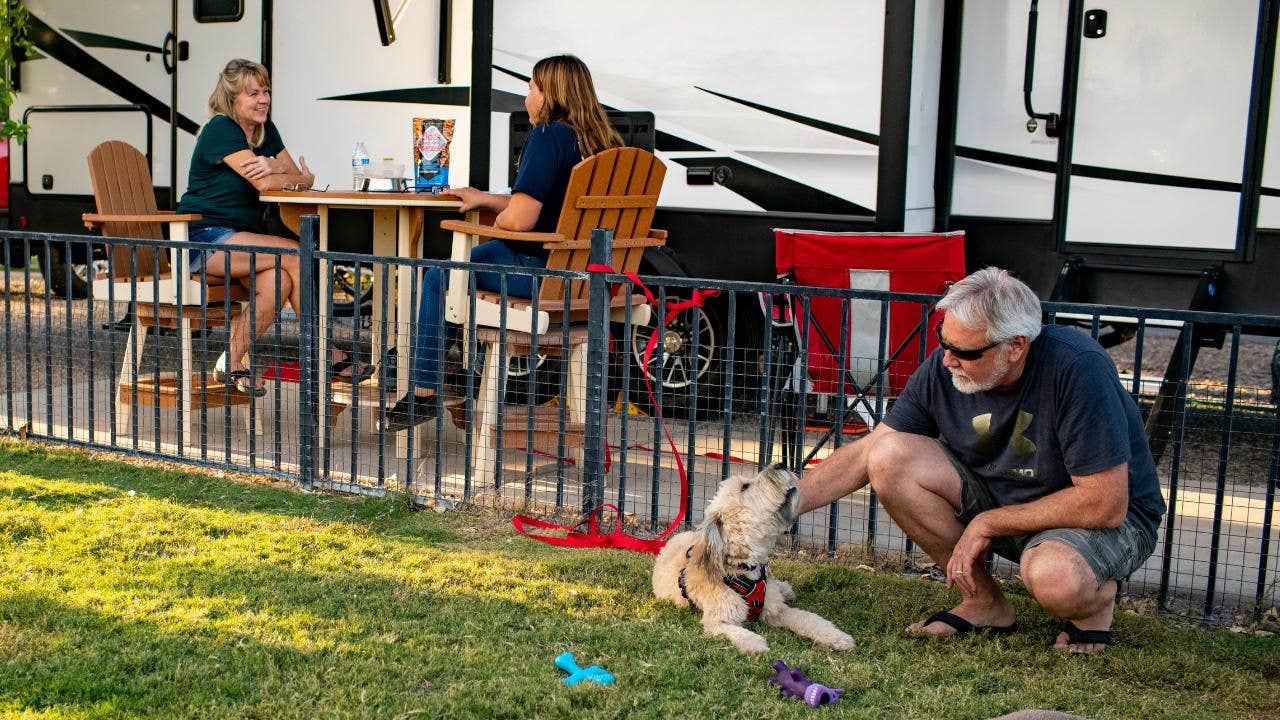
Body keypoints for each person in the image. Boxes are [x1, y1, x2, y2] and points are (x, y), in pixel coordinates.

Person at [795, 267, 1166, 654]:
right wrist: (781, 505)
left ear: (1016, 346)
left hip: (1105, 522)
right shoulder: (948, 363)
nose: (948, 360)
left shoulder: (1077, 366)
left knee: (1056, 579)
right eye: (944, 342)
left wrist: (989, 522)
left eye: (966, 352)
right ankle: (985, 602)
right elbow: (870, 449)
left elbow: (1105, 503)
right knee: (888, 456)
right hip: (1006, 500)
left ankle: (1095, 602)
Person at [379, 55, 623, 431]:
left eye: (531, 88)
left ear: (549, 95)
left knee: (439, 277)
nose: (527, 97)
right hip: (589, 280)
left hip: (541, 275)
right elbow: (546, 208)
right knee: (462, 278)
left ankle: (425, 391)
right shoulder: (605, 145)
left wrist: (499, 221)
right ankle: (458, 368)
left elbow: (522, 220)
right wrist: (486, 198)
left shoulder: (548, 136)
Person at [176, 58, 368, 396]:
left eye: (266, 91)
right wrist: (288, 175)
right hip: (202, 239)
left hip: (238, 241)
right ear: (232, 98)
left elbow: (299, 178)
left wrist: (290, 173)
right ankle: (327, 355)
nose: (263, 99)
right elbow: (268, 185)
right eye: (253, 93)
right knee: (296, 253)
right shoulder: (222, 129)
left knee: (278, 280)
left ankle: (230, 360)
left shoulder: (265, 130)